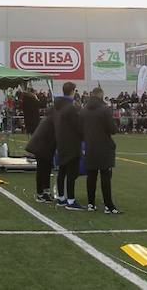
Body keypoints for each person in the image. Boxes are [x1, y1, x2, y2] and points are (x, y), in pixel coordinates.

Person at [80, 88, 121, 214]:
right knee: (105, 176)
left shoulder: (84, 110)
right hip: (104, 147)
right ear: (101, 96)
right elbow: (113, 129)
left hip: (90, 147)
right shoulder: (104, 110)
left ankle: (91, 203)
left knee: (91, 176)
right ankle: (108, 205)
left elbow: (80, 129)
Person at [52, 82, 84, 210]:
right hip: (71, 144)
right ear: (72, 91)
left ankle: (61, 198)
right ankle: (71, 201)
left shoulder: (58, 106)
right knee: (71, 173)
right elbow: (78, 127)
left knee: (62, 171)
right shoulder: (71, 108)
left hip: (61, 142)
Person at [25, 98, 59, 203]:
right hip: (42, 147)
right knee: (42, 170)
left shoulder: (51, 116)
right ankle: (40, 193)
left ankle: (45, 192)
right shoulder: (54, 117)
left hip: (44, 146)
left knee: (46, 169)